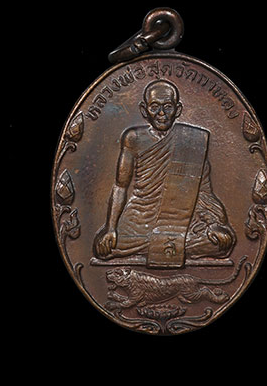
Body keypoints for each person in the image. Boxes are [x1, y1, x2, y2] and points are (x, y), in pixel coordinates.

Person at [93, 79, 236, 267]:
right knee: (104, 248)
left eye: (168, 107)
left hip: (179, 220)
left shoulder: (193, 142)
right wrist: (111, 228)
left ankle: (161, 246)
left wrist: (213, 223)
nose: (161, 113)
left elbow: (203, 193)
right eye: (154, 107)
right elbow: (120, 186)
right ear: (144, 110)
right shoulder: (133, 138)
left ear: (178, 110)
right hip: (139, 219)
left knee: (223, 242)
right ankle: (171, 247)